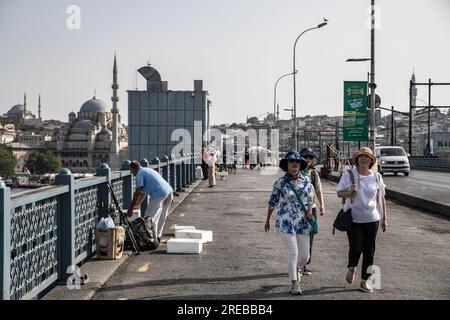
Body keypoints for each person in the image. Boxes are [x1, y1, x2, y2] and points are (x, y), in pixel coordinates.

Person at [336, 147, 387, 293]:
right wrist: (350, 190)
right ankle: (352, 267)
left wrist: (384, 218)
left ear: (371, 160)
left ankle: (365, 281)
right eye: (361, 156)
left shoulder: (377, 176)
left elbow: (381, 199)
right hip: (354, 218)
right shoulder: (348, 174)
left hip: (372, 218)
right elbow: (340, 193)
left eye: (367, 157)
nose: (364, 159)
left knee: (369, 251)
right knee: (356, 247)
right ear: (356, 159)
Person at [265, 151, 315, 295]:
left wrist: (310, 210)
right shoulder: (280, 182)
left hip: (302, 222)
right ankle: (295, 283)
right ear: (286, 165)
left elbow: (311, 198)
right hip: (285, 222)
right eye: (291, 162)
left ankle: (297, 268)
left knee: (305, 256)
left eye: (297, 162)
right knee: (293, 253)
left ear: (300, 165)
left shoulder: (306, 181)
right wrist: (268, 219)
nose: (294, 164)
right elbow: (272, 201)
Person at [127, 160, 174, 241]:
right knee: (163, 215)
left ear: (133, 169)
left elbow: (137, 193)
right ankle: (158, 236)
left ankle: (152, 238)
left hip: (159, 194)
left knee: (149, 217)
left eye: (130, 170)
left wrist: (130, 208)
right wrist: (138, 204)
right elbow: (143, 193)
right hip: (169, 192)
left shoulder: (139, 175)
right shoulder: (147, 170)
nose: (131, 172)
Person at [299, 147, 325, 276]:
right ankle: (296, 263)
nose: (308, 159)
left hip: (311, 208)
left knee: (310, 236)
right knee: (297, 237)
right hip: (296, 210)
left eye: (310, 157)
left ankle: (304, 265)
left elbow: (318, 190)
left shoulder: (314, 174)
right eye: (305, 157)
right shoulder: (294, 171)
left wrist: (322, 205)